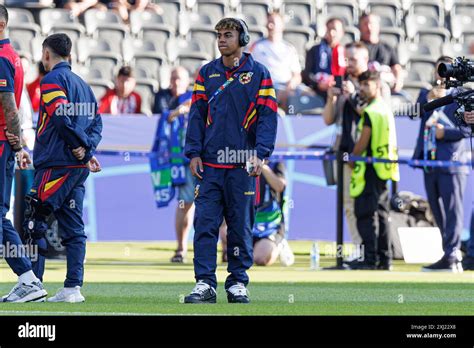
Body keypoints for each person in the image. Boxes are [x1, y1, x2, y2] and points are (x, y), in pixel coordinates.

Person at [184, 18, 278, 303]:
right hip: (210, 165)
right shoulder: (206, 73)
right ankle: (204, 284)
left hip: (242, 166)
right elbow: (197, 115)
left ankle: (237, 282)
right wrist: (194, 152)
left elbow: (267, 117)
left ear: (243, 38)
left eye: (228, 34)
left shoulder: (260, 74)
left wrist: (260, 154)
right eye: (219, 35)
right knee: (205, 226)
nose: (222, 40)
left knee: (240, 228)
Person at [7, 33, 103, 302]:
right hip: (76, 168)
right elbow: (97, 124)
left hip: (55, 164)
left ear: (46, 54)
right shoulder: (84, 85)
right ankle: (73, 288)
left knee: (34, 221)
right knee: (73, 227)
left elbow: (61, 117)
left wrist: (78, 144)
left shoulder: (50, 80)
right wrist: (87, 151)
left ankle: (32, 285)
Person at [0, 4, 47, 303]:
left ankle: (28, 278)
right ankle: (28, 278)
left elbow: (9, 104)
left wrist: (16, 147)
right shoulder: (11, 57)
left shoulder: (2, 59)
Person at [413, 56, 471, 272]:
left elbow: (467, 130)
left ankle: (453, 254)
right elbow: (415, 113)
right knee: (437, 211)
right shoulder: (425, 94)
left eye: (447, 70)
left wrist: (443, 133)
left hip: (452, 163)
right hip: (430, 162)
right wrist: (429, 98)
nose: (443, 75)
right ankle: (447, 252)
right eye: (440, 70)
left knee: (453, 209)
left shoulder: (463, 96)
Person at [348, 70, 399, 270]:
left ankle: (369, 259)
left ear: (377, 86)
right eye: (361, 85)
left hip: (370, 168)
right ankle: (384, 259)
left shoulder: (372, 111)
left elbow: (364, 139)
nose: (362, 88)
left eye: (366, 84)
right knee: (382, 214)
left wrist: (353, 156)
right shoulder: (384, 109)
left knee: (365, 214)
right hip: (384, 168)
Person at [322, 42, 371, 246]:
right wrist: (331, 99)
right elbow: (328, 119)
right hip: (343, 150)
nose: (348, 63)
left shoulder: (372, 84)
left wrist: (353, 95)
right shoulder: (341, 83)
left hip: (366, 153)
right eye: (346, 59)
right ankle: (359, 248)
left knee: (367, 204)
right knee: (349, 205)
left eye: (353, 59)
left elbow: (372, 114)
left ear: (365, 61)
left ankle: (371, 250)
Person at [153, 66, 194, 263]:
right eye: (173, 78)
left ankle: (226, 250)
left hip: (206, 158)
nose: (175, 82)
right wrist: (179, 111)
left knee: (217, 204)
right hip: (182, 160)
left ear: (188, 81)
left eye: (179, 78)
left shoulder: (197, 96)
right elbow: (163, 117)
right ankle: (181, 248)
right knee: (184, 203)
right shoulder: (165, 97)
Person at [220, 161, 294, 266]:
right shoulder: (240, 165)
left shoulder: (276, 165)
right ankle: (241, 251)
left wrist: (262, 166)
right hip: (247, 224)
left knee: (261, 258)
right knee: (226, 233)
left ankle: (278, 244)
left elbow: (280, 186)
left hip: (269, 226)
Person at [249, 12, 302, 111]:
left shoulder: (289, 48)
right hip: (266, 87)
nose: (270, 26)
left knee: (311, 97)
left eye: (273, 22)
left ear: (282, 26)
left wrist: (290, 85)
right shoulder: (256, 46)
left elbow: (297, 75)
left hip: (287, 87)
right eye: (268, 22)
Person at [303, 17, 346, 100]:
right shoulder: (314, 50)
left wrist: (335, 83)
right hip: (316, 90)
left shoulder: (345, 52)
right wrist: (317, 84)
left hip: (339, 92)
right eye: (329, 29)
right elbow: (307, 73)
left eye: (335, 30)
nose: (331, 33)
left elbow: (347, 74)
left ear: (342, 33)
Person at [359, 13, 403, 93]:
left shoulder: (387, 47)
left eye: (372, 24)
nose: (369, 27)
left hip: (385, 85)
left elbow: (396, 67)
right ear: (360, 27)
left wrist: (398, 82)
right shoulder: (357, 48)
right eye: (365, 24)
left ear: (378, 26)